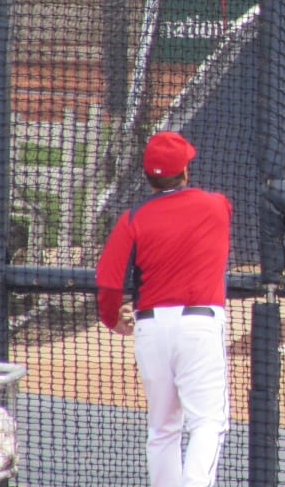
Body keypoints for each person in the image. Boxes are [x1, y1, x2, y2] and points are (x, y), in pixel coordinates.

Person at [95, 131, 232, 487]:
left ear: (148, 176)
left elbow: (109, 284)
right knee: (207, 423)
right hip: (199, 327)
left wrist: (113, 320)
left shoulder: (132, 218)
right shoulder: (216, 205)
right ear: (185, 171)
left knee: (162, 429)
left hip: (150, 330)